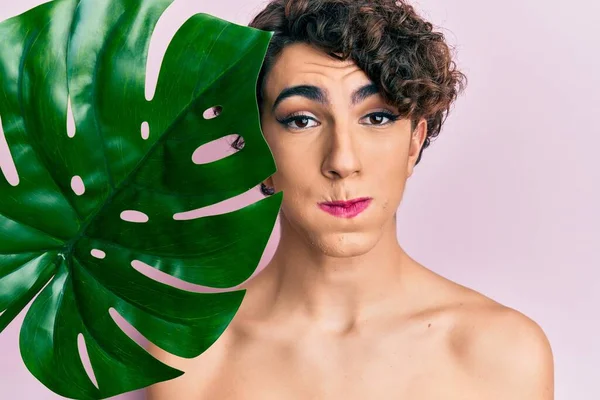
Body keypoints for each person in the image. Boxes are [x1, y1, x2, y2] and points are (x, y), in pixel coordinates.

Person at [147, 0, 554, 398]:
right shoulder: (192, 356)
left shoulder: (500, 354)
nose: (342, 161)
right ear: (255, 145)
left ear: (415, 141)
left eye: (377, 117)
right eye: (301, 119)